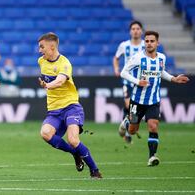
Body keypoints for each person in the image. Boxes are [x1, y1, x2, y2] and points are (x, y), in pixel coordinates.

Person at [37, 32, 102, 178]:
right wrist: (44, 82)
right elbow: (46, 78)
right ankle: (75, 153)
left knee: (73, 140)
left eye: (42, 47)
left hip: (71, 107)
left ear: (52, 46)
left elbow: (60, 81)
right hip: (54, 109)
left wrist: (47, 85)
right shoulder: (41, 61)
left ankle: (95, 170)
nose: (40, 50)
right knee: (45, 134)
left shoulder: (65, 63)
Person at [120, 31, 189, 166]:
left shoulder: (161, 58)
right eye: (146, 41)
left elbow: (160, 72)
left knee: (153, 126)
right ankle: (127, 123)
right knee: (133, 131)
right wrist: (137, 81)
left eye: (152, 41)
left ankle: (152, 156)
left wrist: (173, 78)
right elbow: (124, 72)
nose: (149, 43)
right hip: (137, 101)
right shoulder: (138, 58)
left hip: (153, 101)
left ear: (158, 43)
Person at [113, 20, 145, 143]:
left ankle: (127, 125)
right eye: (133, 29)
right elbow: (116, 58)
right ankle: (127, 132)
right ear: (130, 31)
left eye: (138, 28)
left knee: (137, 107)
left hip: (142, 81)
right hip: (128, 80)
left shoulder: (145, 45)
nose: (135, 31)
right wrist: (116, 68)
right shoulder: (124, 45)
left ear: (141, 31)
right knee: (128, 105)